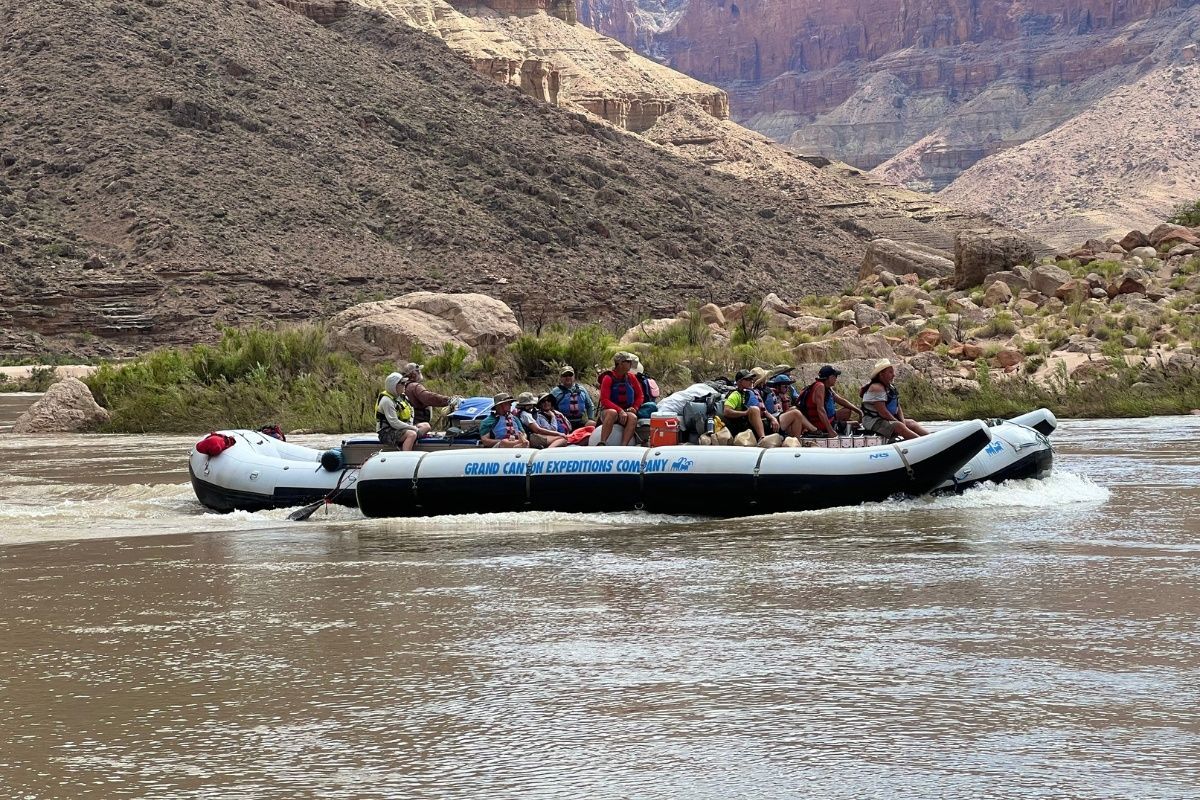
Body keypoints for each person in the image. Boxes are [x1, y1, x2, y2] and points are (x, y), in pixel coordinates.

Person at [860, 359, 929, 441]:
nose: (893, 375)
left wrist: (902, 421)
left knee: (911, 423)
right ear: (881, 374)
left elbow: (898, 407)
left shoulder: (890, 387)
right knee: (899, 426)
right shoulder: (876, 388)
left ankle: (932, 440)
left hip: (886, 420)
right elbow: (883, 412)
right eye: (890, 372)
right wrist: (899, 423)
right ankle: (921, 442)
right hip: (874, 422)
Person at [801, 365, 863, 437]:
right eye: (835, 376)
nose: (836, 378)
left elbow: (840, 400)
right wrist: (830, 430)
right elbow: (820, 410)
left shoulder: (827, 387)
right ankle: (837, 428)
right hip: (819, 423)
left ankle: (839, 425)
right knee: (856, 424)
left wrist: (858, 411)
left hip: (829, 418)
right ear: (829, 377)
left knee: (847, 410)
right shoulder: (820, 386)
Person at [597, 352, 643, 446]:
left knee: (633, 417)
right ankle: (602, 442)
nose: (630, 364)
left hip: (626, 411)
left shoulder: (631, 377)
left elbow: (640, 396)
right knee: (612, 412)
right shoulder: (608, 378)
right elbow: (604, 400)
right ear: (621, 363)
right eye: (628, 362)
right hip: (608, 411)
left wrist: (635, 407)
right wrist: (620, 410)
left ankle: (624, 445)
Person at [377, 372, 427, 451]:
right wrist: (412, 428)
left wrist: (411, 426)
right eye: (402, 383)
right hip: (387, 432)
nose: (405, 385)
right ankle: (405, 457)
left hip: (401, 428)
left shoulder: (402, 397)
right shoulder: (387, 401)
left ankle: (405, 444)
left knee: (426, 426)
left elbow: (411, 412)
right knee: (412, 434)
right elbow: (394, 423)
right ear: (394, 385)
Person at [400, 362, 457, 426]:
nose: (420, 372)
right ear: (413, 374)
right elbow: (428, 398)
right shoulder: (415, 386)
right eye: (418, 371)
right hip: (418, 422)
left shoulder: (403, 386)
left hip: (411, 422)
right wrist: (450, 400)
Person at [763, 374, 818, 438]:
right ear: (778, 386)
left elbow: (785, 411)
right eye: (785, 387)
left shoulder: (783, 396)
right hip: (773, 421)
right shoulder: (771, 394)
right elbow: (770, 411)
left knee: (794, 408)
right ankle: (813, 431)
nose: (787, 389)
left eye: (788, 386)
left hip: (780, 419)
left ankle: (805, 432)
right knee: (795, 413)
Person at [722, 368, 767, 441]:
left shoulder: (749, 393)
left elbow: (763, 410)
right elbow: (726, 412)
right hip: (739, 425)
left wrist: (772, 418)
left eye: (751, 379)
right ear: (740, 382)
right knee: (754, 409)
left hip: (750, 423)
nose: (751, 381)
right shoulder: (735, 394)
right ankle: (763, 438)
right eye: (748, 379)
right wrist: (745, 413)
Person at [549, 366, 596, 431]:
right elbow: (548, 407)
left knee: (592, 424)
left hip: (579, 421)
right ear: (561, 378)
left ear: (574, 376)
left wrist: (590, 418)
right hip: (563, 422)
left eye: (570, 375)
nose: (568, 377)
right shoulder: (555, 392)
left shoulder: (581, 389)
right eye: (565, 375)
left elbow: (590, 405)